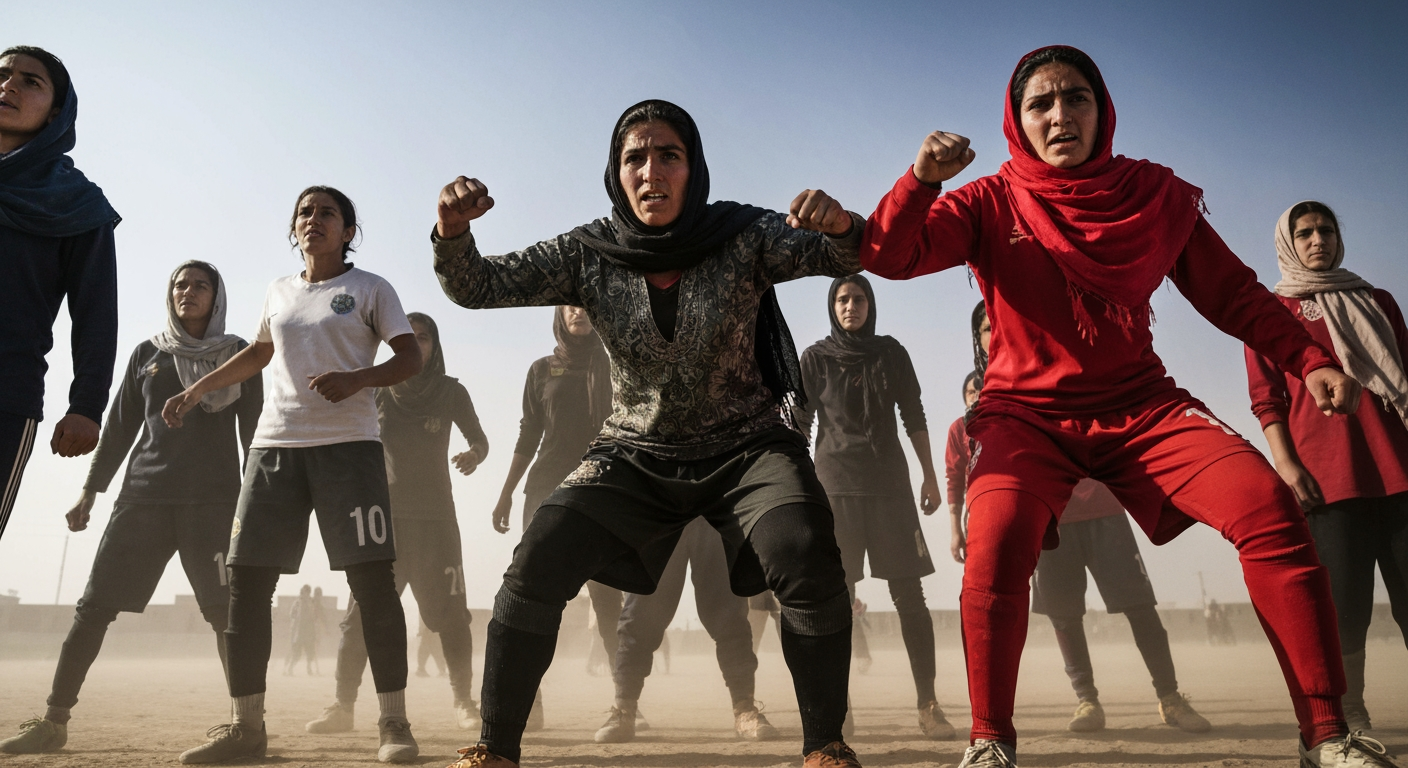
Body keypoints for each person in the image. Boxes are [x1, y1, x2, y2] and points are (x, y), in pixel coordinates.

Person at [861, 45, 1391, 768]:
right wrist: (922, 179)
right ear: (1016, 122)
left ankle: (1328, 735)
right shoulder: (990, 199)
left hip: (1142, 407)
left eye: (1075, 98)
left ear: (1102, 110)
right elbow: (892, 254)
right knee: (995, 539)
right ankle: (990, 742)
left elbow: (1233, 292)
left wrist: (1309, 356)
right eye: (1039, 104)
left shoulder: (1153, 195)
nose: (1059, 115)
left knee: (1267, 504)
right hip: (1023, 414)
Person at [433, 99, 865, 768]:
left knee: (804, 544)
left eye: (669, 154)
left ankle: (825, 745)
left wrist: (837, 225)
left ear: (693, 169)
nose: (651, 169)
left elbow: (840, 253)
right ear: (616, 172)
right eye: (635, 156)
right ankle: (495, 748)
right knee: (537, 556)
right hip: (633, 454)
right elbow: (477, 285)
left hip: (748, 447)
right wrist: (453, 232)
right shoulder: (588, 253)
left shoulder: (744, 235)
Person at [162, 186, 423, 764]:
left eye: (327, 213)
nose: (314, 220)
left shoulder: (369, 290)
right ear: (294, 228)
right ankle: (246, 727)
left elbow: (410, 357)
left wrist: (359, 379)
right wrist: (198, 387)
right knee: (247, 585)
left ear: (349, 230)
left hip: (349, 450)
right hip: (274, 450)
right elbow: (258, 354)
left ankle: (394, 722)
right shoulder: (278, 292)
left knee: (373, 585)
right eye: (305, 212)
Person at [0, 261, 260, 755]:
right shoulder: (148, 353)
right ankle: (54, 721)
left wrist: (255, 502)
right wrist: (90, 491)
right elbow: (120, 428)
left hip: (213, 502)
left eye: (200, 285)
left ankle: (247, 726)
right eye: (180, 285)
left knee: (225, 614)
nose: (188, 292)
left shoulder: (239, 356)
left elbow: (254, 436)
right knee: (92, 608)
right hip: (141, 498)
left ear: (217, 296)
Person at [958, 301, 1209, 734]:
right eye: (984, 328)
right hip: (1049, 518)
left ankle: (1170, 696)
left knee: (1139, 607)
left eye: (998, 324)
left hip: (1103, 509)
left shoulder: (1060, 367)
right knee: (1064, 615)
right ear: (976, 341)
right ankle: (1087, 701)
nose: (993, 334)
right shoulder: (985, 401)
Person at [1245, 200, 1408, 733]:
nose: (1318, 240)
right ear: (1288, 242)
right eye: (1306, 232)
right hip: (1325, 478)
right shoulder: (1269, 311)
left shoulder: (1377, 300)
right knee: (1344, 608)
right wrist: (1286, 465)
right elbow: (1266, 397)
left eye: (1327, 230)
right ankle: (1351, 712)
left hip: (1399, 470)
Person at [305, 310, 488, 735]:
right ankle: (342, 705)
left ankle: (464, 701)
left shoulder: (450, 392)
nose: (417, 343)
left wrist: (474, 455)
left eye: (424, 337)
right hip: (380, 522)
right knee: (360, 615)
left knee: (452, 617)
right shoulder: (375, 391)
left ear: (434, 345)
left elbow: (479, 438)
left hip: (437, 520)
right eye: (409, 337)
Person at [794, 274, 954, 740]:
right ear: (833, 306)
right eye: (842, 299)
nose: (851, 306)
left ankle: (928, 704)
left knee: (910, 598)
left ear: (870, 304)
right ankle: (838, 712)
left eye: (858, 298)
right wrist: (799, 485)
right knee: (834, 602)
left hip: (889, 488)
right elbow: (800, 425)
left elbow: (914, 414)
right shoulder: (816, 358)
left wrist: (929, 474)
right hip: (834, 488)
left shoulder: (891, 353)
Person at [0, 46, 120, 541]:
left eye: (31, 81)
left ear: (56, 112)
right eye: (3, 75)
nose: (9, 85)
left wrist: (87, 405)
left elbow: (95, 315)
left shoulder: (77, 205)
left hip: (5, 393)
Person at [490, 305, 623, 730]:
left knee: (607, 598)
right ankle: (529, 703)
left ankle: (624, 702)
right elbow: (529, 432)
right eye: (568, 304)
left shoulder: (618, 363)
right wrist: (506, 492)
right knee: (533, 594)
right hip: (545, 487)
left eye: (585, 302)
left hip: (602, 488)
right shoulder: (541, 369)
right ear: (558, 315)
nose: (579, 311)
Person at [593, 517, 780, 744]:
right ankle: (624, 709)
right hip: (661, 508)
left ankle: (744, 709)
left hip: (711, 508)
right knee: (640, 617)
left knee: (729, 616)